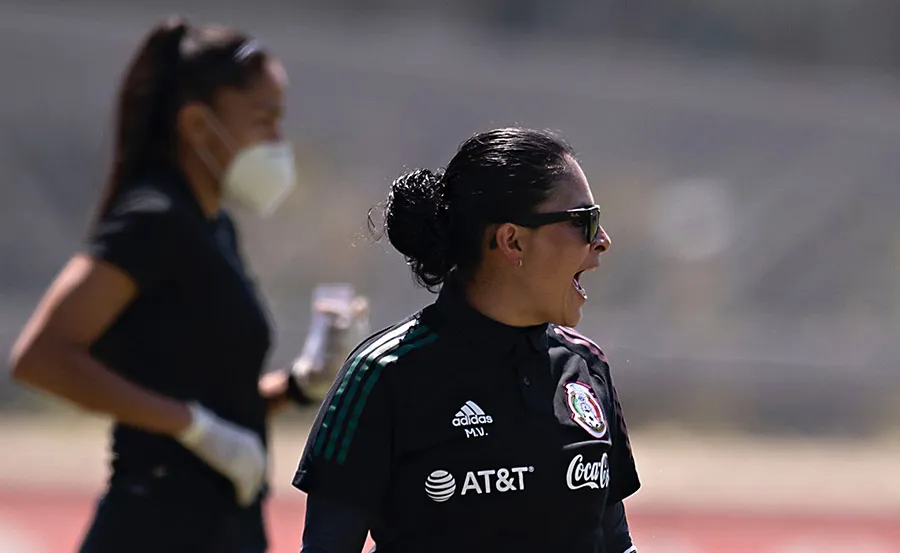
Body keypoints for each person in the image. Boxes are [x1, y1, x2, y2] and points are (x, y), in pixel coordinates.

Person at [7, 17, 365, 553]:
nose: (278, 141)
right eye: (264, 121)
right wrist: (192, 427)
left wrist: (296, 384)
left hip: (224, 525)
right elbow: (40, 358)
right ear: (198, 126)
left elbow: (205, 388)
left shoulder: (213, 224)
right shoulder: (154, 218)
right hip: (156, 524)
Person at [293, 127, 642, 553]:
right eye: (583, 221)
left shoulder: (586, 366)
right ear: (512, 240)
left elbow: (615, 544)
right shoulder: (384, 375)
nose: (602, 241)